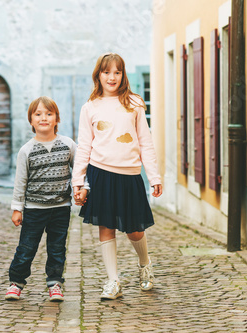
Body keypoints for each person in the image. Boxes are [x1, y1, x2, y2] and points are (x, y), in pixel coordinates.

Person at [72, 53, 163, 300]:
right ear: (98, 75)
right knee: (106, 227)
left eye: (117, 72)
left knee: (134, 230)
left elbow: (146, 142)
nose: (112, 77)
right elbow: (84, 146)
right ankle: (113, 281)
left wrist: (154, 176)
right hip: (100, 173)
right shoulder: (90, 107)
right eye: (106, 72)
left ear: (123, 75)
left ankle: (145, 264)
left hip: (129, 175)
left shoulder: (134, 103)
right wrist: (78, 181)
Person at [5, 96, 89, 302]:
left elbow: (80, 170)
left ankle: (55, 284)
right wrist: (17, 208)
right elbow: (20, 182)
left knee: (57, 248)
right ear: (31, 121)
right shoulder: (26, 151)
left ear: (56, 119)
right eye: (38, 114)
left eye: (49, 114)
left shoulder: (68, 145)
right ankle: (16, 282)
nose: (44, 118)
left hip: (61, 208)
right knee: (26, 247)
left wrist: (83, 188)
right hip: (34, 209)